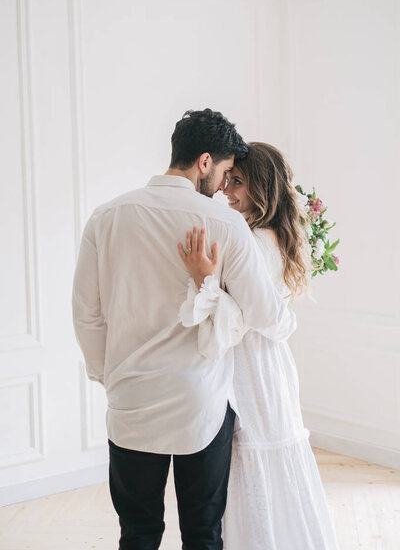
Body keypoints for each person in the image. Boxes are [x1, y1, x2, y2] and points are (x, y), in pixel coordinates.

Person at [72, 110, 297, 550]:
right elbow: (267, 317)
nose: (224, 185)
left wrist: (109, 376)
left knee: (137, 532)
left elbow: (86, 314)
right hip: (203, 404)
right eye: (227, 172)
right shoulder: (225, 225)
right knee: (202, 533)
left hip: (130, 400)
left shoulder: (106, 216)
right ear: (206, 162)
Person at [178, 142, 339, 549]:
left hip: (253, 367)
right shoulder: (266, 235)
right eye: (226, 179)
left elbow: (244, 316)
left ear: (262, 188)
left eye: (238, 182)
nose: (226, 190)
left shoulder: (256, 241)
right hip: (262, 363)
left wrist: (205, 280)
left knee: (252, 460)